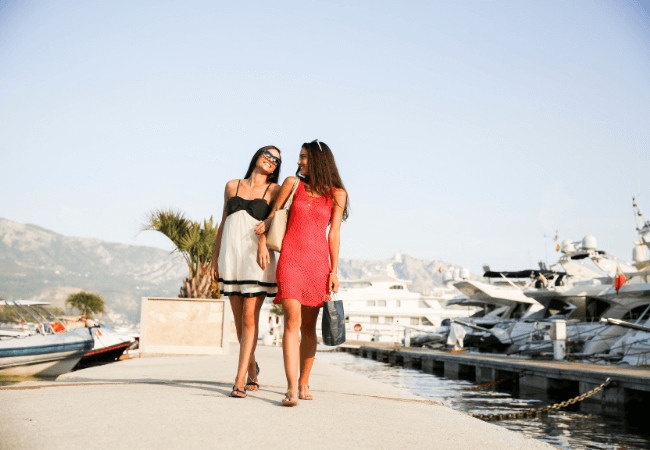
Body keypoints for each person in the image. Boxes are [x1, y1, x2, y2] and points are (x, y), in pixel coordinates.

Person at [260, 139, 348, 407]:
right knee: (291, 322)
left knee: (309, 327)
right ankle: (290, 389)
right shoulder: (292, 184)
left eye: (304, 157)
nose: (298, 162)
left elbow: (334, 234)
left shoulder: (337, 194)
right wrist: (263, 244)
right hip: (290, 259)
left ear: (319, 160)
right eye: (299, 157)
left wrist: (334, 271)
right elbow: (272, 217)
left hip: (318, 263)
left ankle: (304, 382)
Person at [210, 145, 282, 398]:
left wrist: (264, 241)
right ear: (257, 156)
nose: (271, 160)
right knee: (240, 322)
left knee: (250, 319)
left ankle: (239, 379)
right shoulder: (232, 186)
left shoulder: (275, 189)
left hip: (256, 259)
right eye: (268, 155)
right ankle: (252, 368)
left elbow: (276, 217)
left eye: (276, 160)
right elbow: (223, 222)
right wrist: (214, 258)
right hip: (231, 257)